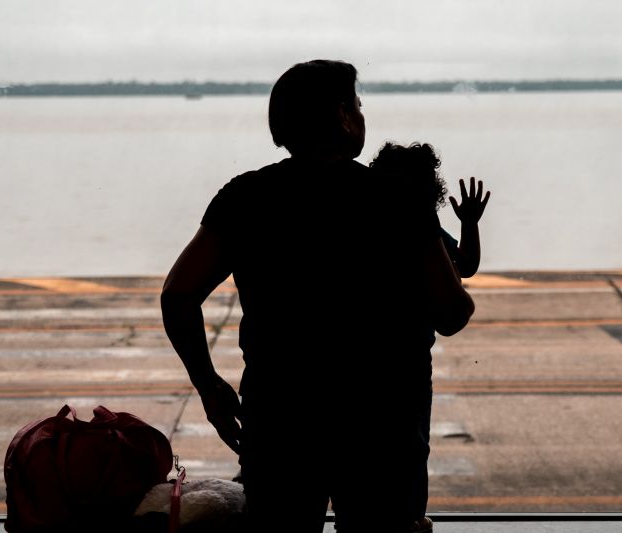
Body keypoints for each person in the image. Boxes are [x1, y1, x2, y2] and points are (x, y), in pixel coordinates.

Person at [160, 60, 475, 533]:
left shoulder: (246, 197)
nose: (362, 116)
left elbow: (178, 295)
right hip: (383, 422)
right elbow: (451, 314)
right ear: (344, 117)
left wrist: (209, 384)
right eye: (358, 105)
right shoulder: (398, 199)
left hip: (282, 416)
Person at [369, 142, 490, 279]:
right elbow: (466, 266)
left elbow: (466, 266)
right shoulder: (425, 227)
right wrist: (470, 223)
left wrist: (469, 223)